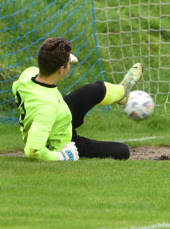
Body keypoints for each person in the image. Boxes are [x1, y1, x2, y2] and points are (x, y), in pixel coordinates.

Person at [11, 37, 143, 162]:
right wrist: (62, 156)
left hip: (60, 114)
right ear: (61, 69)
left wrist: (65, 57)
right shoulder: (47, 107)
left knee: (97, 89)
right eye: (67, 63)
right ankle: (65, 149)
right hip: (61, 140)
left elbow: (16, 86)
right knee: (122, 151)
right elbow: (33, 150)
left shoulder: (28, 75)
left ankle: (122, 91)